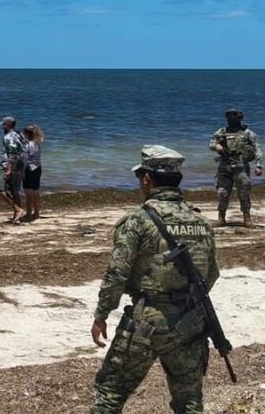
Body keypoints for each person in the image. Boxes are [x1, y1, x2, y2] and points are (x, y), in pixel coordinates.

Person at [90, 145, 219, 413]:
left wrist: (102, 314)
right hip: (190, 320)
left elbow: (117, 273)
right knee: (190, 401)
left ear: (146, 179)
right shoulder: (200, 221)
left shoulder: (138, 220)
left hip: (146, 321)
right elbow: (211, 273)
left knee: (110, 393)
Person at [209, 108, 263, 228]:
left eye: (234, 116)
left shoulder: (248, 133)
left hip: (241, 166)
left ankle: (247, 219)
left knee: (244, 193)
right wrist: (216, 145)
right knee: (222, 192)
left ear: (240, 118)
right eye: (229, 117)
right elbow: (211, 142)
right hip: (224, 166)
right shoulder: (221, 132)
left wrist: (258, 165)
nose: (231, 119)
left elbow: (257, 149)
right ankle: (221, 218)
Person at [0, 116, 25, 225]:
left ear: (9, 125)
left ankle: (17, 209)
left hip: (8, 165)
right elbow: (22, 151)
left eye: (4, 124)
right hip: (19, 164)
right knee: (14, 190)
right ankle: (17, 217)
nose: (2, 127)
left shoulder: (9, 137)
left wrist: (9, 169)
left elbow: (11, 153)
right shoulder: (19, 134)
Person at [21, 125, 45, 222]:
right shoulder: (37, 143)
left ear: (27, 134)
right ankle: (36, 213)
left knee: (28, 192)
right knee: (36, 191)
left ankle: (29, 214)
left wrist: (22, 171)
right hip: (38, 168)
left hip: (29, 169)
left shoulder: (27, 145)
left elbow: (24, 159)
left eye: (24, 133)